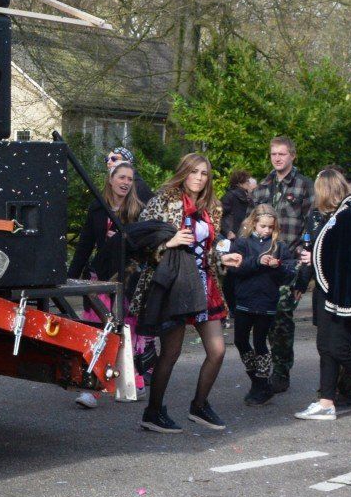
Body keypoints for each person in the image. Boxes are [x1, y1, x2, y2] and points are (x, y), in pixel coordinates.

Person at [128, 152, 231, 434]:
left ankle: (199, 405)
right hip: (175, 285)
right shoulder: (163, 200)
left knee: (218, 350)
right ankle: (153, 412)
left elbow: (210, 249)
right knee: (171, 352)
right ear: (184, 172)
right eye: (194, 172)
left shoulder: (212, 207)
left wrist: (224, 259)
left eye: (204, 173)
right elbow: (138, 240)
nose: (199, 178)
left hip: (205, 285)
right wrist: (169, 243)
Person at [294, 169, 351, 421]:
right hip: (328, 290)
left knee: (339, 347)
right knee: (325, 346)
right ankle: (326, 402)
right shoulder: (332, 216)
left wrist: (317, 256)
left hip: (345, 294)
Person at [68, 161, 150, 406]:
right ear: (111, 179)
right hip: (101, 277)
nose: (125, 182)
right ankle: (91, 389)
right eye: (121, 177)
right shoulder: (97, 208)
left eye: (129, 179)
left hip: (128, 279)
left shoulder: (138, 210)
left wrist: (124, 238)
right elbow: (85, 245)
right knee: (98, 330)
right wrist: (70, 277)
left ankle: (133, 381)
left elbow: (145, 246)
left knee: (126, 332)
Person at [252, 137, 314, 396]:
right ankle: (264, 368)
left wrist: (305, 274)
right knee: (262, 317)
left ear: (292, 156)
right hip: (262, 262)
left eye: (282, 154)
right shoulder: (261, 188)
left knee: (281, 316)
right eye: (273, 154)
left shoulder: (305, 186)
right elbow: (250, 225)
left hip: (290, 263)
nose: (277, 158)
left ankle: (281, 371)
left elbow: (312, 227)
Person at [223, 204, 289, 405]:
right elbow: (235, 268)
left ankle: (261, 382)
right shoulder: (242, 243)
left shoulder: (279, 246)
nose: (267, 230)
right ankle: (258, 381)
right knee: (240, 340)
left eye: (270, 227)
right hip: (245, 299)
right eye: (263, 226)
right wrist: (257, 261)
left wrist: (278, 266)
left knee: (260, 342)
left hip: (267, 300)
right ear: (253, 224)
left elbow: (288, 273)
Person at [222, 169, 256, 238]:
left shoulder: (248, 197)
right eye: (247, 181)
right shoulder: (230, 196)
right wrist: (227, 232)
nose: (249, 183)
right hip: (231, 236)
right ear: (240, 183)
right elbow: (219, 215)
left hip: (243, 235)